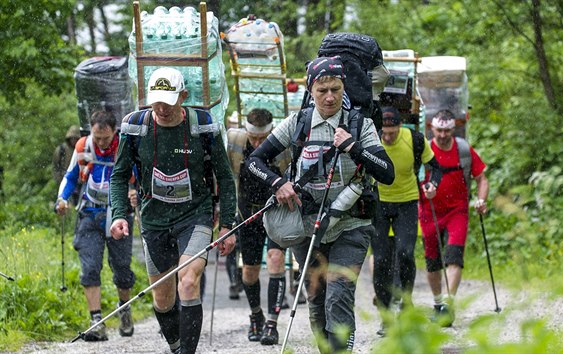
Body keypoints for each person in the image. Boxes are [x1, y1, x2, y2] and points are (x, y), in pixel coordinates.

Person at [245, 56, 394, 352]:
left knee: (338, 293)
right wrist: (278, 183)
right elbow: (254, 161)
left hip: (352, 222)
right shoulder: (298, 122)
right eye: (322, 90)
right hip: (307, 223)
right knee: (316, 294)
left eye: (336, 90)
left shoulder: (359, 124)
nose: (329, 97)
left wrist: (353, 146)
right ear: (310, 89)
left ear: (344, 88)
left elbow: (386, 172)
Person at [109, 67, 236, 354]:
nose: (162, 108)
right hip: (153, 219)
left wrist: (227, 224)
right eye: (156, 100)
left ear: (184, 96)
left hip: (195, 215)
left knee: (188, 282)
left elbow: (226, 178)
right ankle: (177, 346)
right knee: (163, 299)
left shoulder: (203, 125)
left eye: (169, 100)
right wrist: (119, 214)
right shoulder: (134, 127)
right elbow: (118, 176)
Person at [55, 111, 136, 342]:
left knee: (121, 269)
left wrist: (135, 194)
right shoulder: (83, 147)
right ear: (91, 130)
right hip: (89, 214)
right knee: (90, 267)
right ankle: (97, 322)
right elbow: (70, 177)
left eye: (106, 138)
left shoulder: (124, 147)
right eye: (97, 137)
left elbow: (139, 178)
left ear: (114, 132)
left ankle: (124, 309)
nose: (101, 143)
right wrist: (61, 200)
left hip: (119, 215)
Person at [371, 107, 441, 336]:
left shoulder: (414, 139)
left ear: (400, 127)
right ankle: (385, 316)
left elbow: (435, 166)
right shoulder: (371, 138)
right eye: (385, 133)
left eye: (392, 133)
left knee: (404, 253)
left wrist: (433, 185)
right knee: (381, 260)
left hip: (406, 202)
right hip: (379, 203)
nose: (388, 138)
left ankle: (406, 303)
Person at [227, 108, 292, 345]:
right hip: (247, 212)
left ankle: (272, 324)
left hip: (275, 211)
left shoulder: (282, 146)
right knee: (249, 270)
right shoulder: (235, 142)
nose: (257, 143)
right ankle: (256, 315)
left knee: (275, 259)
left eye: (263, 138)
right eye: (253, 137)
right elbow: (223, 173)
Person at [419, 110, 489, 327]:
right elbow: (413, 177)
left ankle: (449, 304)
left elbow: (481, 179)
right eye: (439, 130)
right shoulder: (424, 150)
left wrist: (481, 200)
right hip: (429, 211)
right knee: (432, 263)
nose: (442, 135)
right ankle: (438, 303)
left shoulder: (463, 150)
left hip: (457, 211)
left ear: (453, 129)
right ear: (432, 128)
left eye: (446, 130)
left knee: (454, 256)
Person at [53, 125, 81, 203]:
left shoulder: (83, 149)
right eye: (72, 138)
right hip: (65, 180)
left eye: (76, 138)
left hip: (80, 182)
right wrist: (59, 179)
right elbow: (56, 167)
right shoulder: (61, 150)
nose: (74, 141)